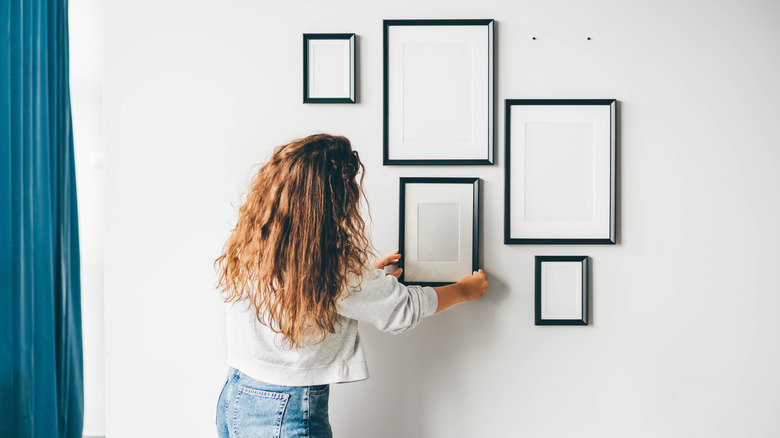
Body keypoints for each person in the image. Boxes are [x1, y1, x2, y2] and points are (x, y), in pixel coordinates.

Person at [214, 134, 488, 437]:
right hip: (286, 412)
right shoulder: (331, 267)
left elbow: (302, 294)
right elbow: (402, 309)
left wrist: (366, 280)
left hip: (236, 396)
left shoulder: (258, 238)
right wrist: (464, 289)